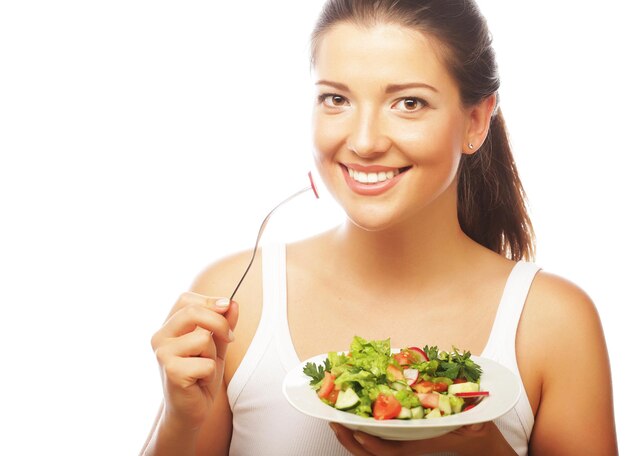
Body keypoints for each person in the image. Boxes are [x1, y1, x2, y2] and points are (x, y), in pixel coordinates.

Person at [142, 0, 618, 454]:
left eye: (409, 103)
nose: (365, 142)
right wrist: (180, 420)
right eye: (336, 98)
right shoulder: (236, 300)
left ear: (476, 121)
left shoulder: (553, 323)